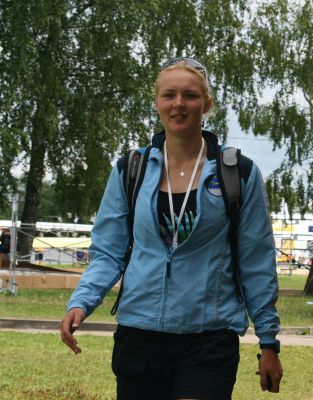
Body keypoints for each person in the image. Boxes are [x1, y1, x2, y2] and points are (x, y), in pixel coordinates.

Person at [60, 57, 283, 400]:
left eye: (190, 95)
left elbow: (257, 260)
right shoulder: (131, 169)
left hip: (209, 337)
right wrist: (81, 302)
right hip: (140, 333)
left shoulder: (237, 173)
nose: (179, 104)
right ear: (157, 103)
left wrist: (268, 340)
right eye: (169, 95)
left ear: (207, 104)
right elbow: (108, 252)